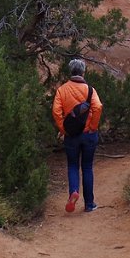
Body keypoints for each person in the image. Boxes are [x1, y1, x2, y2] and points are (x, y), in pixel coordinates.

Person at [52, 57, 102, 213]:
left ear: (70, 72)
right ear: (83, 72)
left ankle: (73, 191)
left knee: (73, 165)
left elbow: (56, 111)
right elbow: (98, 107)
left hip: (71, 136)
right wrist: (93, 126)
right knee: (87, 167)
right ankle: (89, 204)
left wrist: (63, 129)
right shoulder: (90, 90)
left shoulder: (62, 90)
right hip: (88, 134)